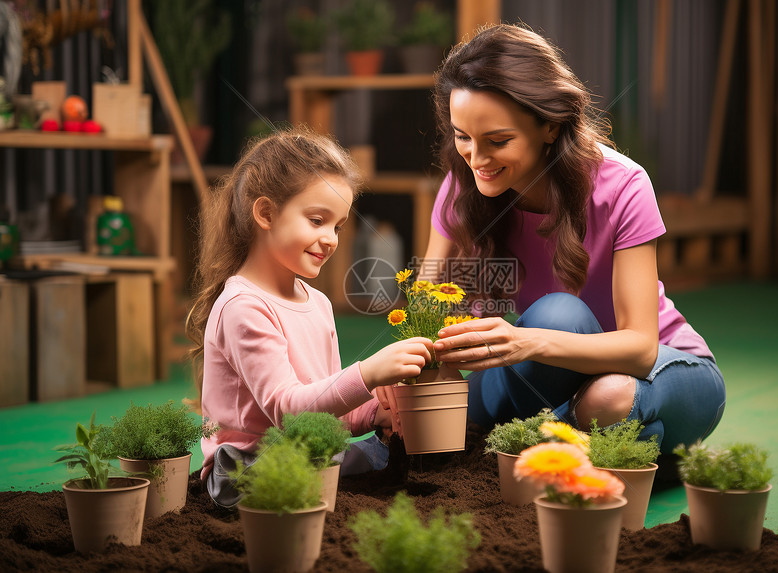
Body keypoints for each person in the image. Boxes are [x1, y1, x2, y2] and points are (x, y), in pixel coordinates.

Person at [416, 24, 725, 456]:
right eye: (462, 136)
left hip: (657, 372)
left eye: (498, 141)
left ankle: (532, 447)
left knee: (598, 381)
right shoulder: (461, 186)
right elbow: (426, 307)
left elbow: (639, 348)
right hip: (536, 374)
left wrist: (527, 342)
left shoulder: (624, 186)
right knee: (437, 412)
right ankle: (603, 449)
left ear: (549, 125)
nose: (477, 159)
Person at [185, 129, 433, 507]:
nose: (331, 238)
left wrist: (374, 410)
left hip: (305, 452)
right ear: (266, 213)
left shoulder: (317, 303)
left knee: (383, 454)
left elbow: (323, 416)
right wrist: (367, 374)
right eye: (317, 220)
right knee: (365, 462)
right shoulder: (244, 307)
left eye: (337, 226)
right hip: (247, 466)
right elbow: (288, 411)